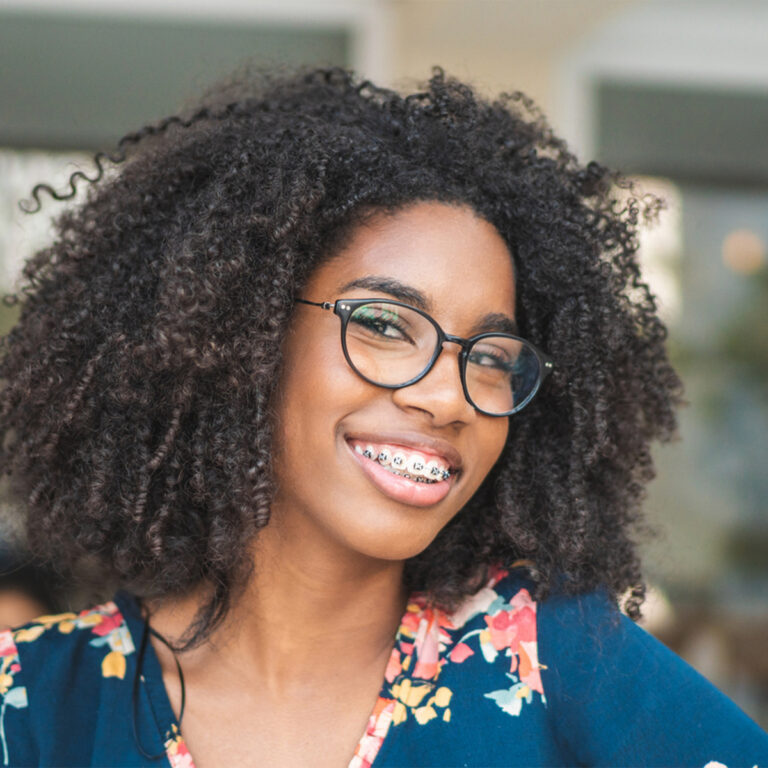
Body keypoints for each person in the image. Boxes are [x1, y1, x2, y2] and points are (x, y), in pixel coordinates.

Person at [0, 66, 765, 768]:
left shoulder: (551, 657)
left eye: (492, 358)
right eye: (386, 325)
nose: (449, 397)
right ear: (242, 333)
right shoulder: (31, 706)